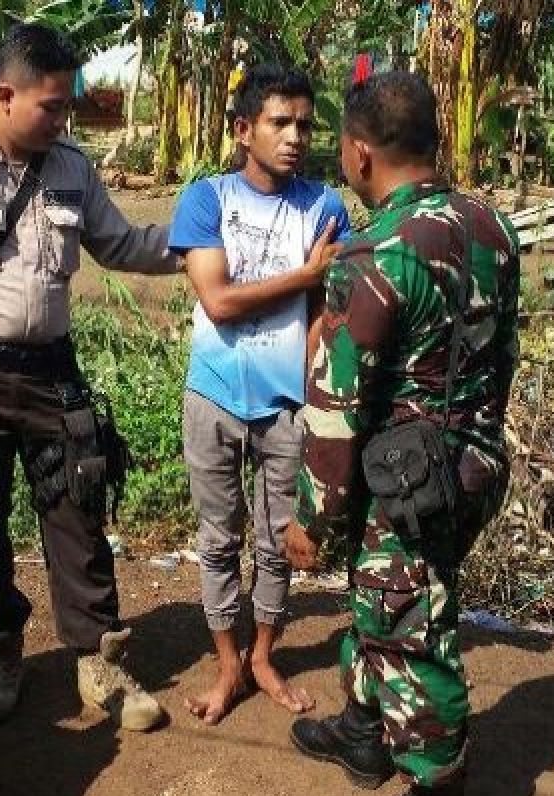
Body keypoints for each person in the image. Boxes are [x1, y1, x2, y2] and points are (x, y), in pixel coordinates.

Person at [0, 23, 180, 732]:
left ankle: (97, 659)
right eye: (51, 107)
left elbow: (122, 242)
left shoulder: (73, 169)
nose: (62, 120)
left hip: (54, 374)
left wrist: (199, 242)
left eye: (66, 108)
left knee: (78, 514)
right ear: (4, 95)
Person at [285, 71, 520, 796]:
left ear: (359, 154)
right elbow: (500, 352)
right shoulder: (492, 227)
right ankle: (365, 729)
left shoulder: (374, 254)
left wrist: (311, 519)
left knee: (412, 627)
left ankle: (437, 772)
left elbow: (335, 409)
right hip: (476, 460)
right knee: (384, 595)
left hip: (405, 479)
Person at [168, 63, 350, 725]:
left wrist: (307, 392)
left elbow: (328, 313)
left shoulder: (326, 207)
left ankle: (264, 655)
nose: (295, 136)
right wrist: (303, 273)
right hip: (214, 395)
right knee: (218, 540)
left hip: (287, 406)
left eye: (304, 123)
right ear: (245, 129)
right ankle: (228, 664)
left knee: (280, 542)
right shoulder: (206, 199)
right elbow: (217, 301)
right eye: (279, 122)